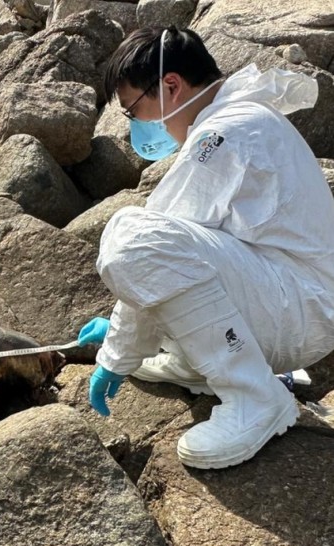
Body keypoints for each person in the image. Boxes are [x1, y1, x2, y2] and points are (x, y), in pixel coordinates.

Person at [76, 26, 334, 470]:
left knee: (128, 234)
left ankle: (256, 398)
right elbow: (188, 256)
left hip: (297, 309)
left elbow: (150, 249)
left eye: (134, 110)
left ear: (171, 86)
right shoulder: (240, 119)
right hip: (291, 300)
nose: (136, 127)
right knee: (151, 252)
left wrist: (117, 354)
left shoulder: (226, 133)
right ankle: (197, 363)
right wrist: (132, 340)